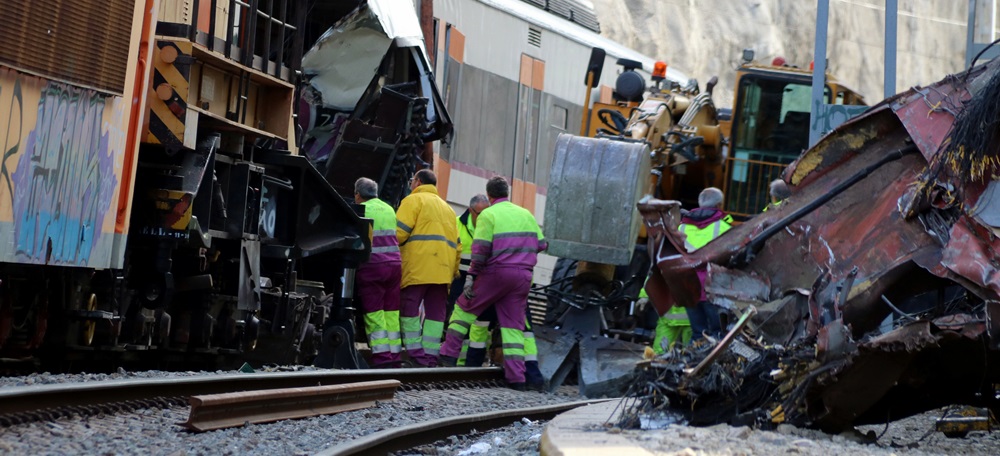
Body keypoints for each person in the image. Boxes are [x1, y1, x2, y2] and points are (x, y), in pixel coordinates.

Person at [438, 176, 547, 390]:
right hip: (522, 277)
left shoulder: (488, 214)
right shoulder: (525, 214)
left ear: (489, 195)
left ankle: (447, 357)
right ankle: (517, 379)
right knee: (513, 328)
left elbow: (480, 250)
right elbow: (542, 244)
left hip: (496, 273)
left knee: (462, 309)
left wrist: (471, 277)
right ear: (507, 193)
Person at [396, 170, 462, 367]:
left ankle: (415, 353)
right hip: (443, 270)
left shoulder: (413, 201)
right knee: (436, 312)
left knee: (409, 308)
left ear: (417, 182)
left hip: (418, 268)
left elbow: (398, 233)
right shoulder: (448, 209)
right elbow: (458, 246)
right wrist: (453, 271)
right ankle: (430, 356)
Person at [353, 178, 403, 367]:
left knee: (374, 313)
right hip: (394, 266)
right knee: (391, 312)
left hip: (373, 267)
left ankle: (382, 359)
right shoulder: (389, 209)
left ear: (358, 194)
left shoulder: (361, 209)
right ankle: (395, 357)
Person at [679, 187, 733, 340]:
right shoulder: (724, 228)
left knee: (698, 334)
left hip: (687, 288)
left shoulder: (681, 227)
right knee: (717, 334)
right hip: (712, 289)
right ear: (719, 205)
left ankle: (691, 363)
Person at [449, 194, 490, 309]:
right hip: (457, 279)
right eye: (480, 214)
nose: (484, 218)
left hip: (480, 279)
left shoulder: (491, 227)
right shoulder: (455, 224)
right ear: (470, 211)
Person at [639, 280, 691, 353]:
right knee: (659, 352)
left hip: (690, 319)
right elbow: (653, 276)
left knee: (691, 353)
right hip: (673, 316)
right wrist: (645, 295)